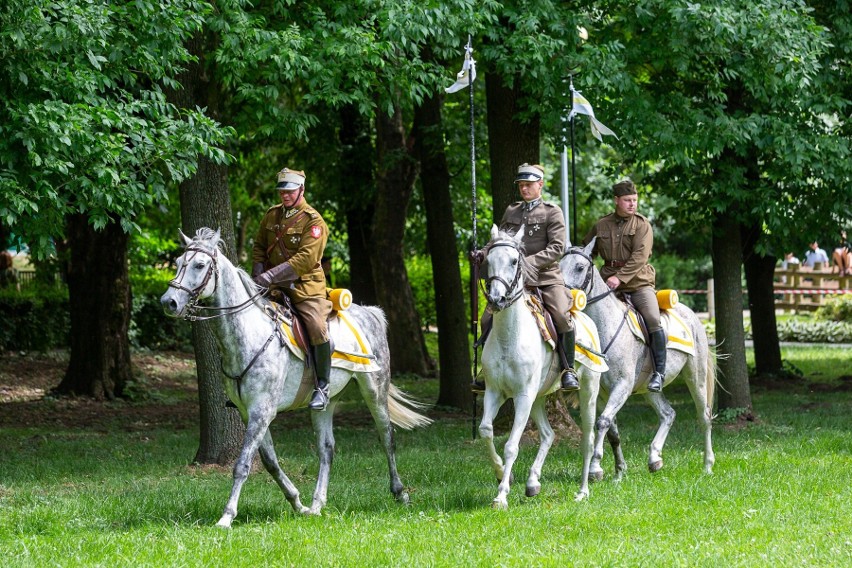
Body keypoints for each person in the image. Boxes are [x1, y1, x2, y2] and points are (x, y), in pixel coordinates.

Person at [472, 163, 579, 392]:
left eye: (528, 184)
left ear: (540, 184)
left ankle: (568, 369)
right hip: (512, 282)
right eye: (521, 185)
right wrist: (482, 253)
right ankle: (487, 370)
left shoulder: (552, 211)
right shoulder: (512, 211)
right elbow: (498, 241)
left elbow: (557, 247)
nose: (524, 188)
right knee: (486, 319)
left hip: (545, 278)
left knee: (560, 315)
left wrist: (527, 263)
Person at [252, 167, 333, 411]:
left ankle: (322, 386)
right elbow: (259, 246)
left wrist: (268, 276)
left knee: (317, 326)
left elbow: (305, 259)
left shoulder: (313, 221)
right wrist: (257, 275)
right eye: (282, 190)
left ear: (301, 189)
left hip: (304, 287)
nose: (285, 195)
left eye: (290, 190)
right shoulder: (272, 216)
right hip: (272, 286)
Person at [584, 179, 666, 392]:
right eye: (628, 200)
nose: (632, 204)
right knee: (581, 315)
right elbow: (587, 252)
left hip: (638, 283)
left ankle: (658, 372)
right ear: (616, 200)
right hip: (606, 284)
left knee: (653, 319)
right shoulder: (601, 225)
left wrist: (619, 278)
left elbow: (640, 257)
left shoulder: (642, 225)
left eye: (635, 200)